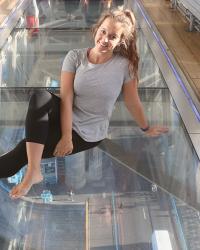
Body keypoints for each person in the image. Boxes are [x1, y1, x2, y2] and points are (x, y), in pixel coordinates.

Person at [0, 8, 168, 199]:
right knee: (40, 96)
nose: (105, 39)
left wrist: (146, 128)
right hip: (67, 113)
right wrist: (65, 136)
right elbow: (67, 97)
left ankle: (32, 172)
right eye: (103, 31)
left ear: (120, 40)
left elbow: (132, 101)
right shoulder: (75, 56)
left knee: (24, 149)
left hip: (87, 132)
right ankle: (33, 171)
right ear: (97, 29)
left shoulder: (124, 66)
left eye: (112, 36)